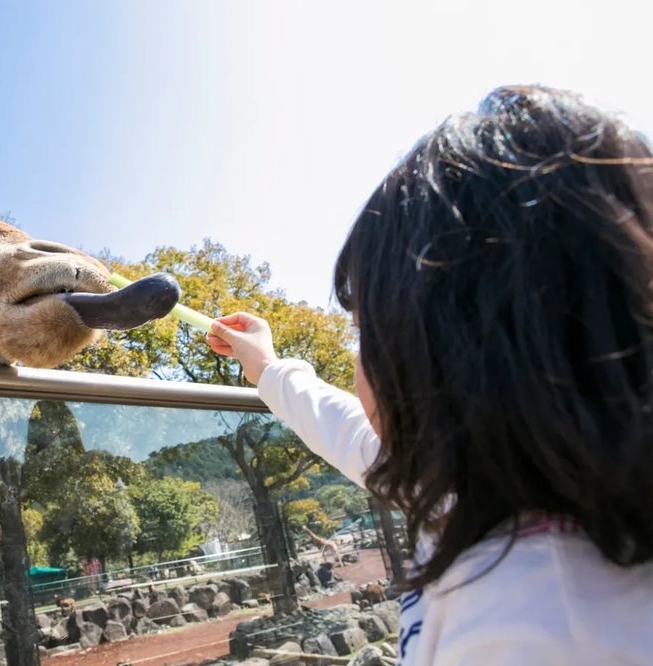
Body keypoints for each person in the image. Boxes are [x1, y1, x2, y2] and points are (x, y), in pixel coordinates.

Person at [207, 85, 653, 665]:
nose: (359, 359)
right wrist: (265, 365)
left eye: (367, 331)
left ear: (447, 363)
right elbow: (344, 427)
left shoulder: (546, 629)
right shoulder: (470, 490)